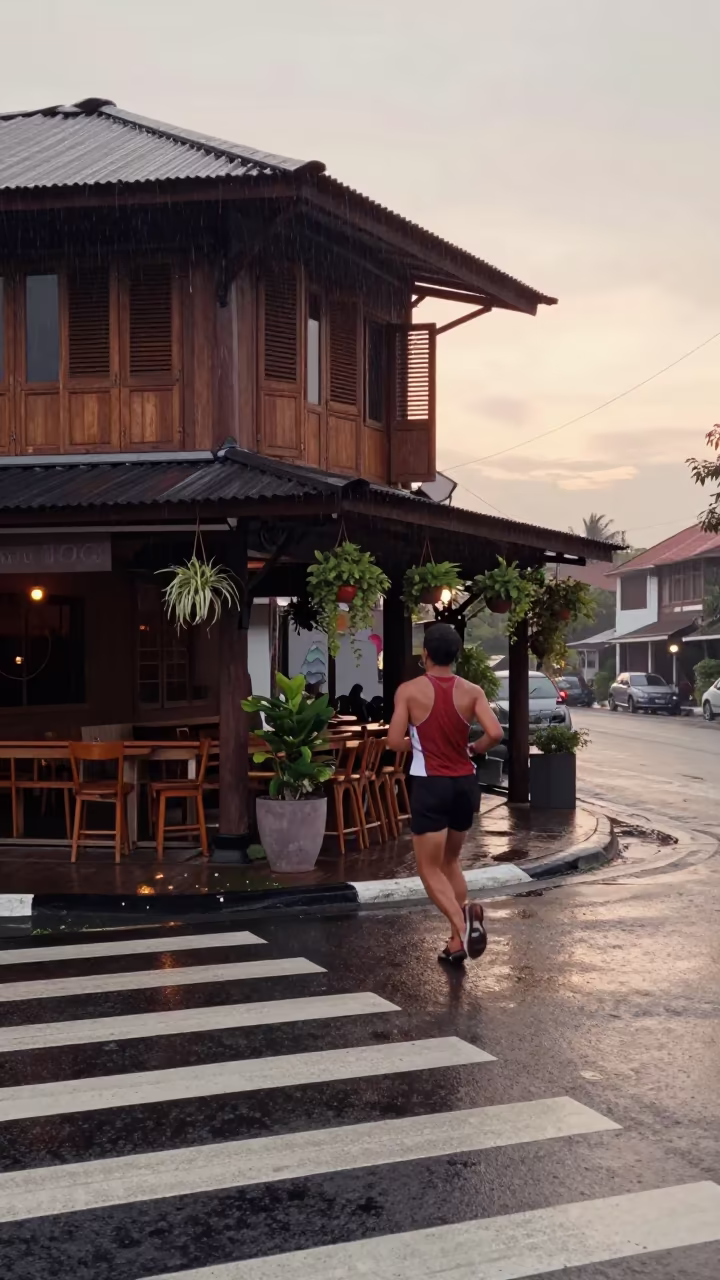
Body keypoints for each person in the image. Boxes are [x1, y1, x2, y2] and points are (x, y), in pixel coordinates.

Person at [387, 622, 503, 964]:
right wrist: (474, 748)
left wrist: (420, 743)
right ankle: (456, 943)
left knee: (428, 868)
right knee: (451, 861)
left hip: (430, 784)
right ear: (457, 655)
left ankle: (462, 922)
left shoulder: (408, 691)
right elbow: (494, 733)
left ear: (424, 654)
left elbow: (394, 742)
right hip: (465, 784)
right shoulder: (473, 691)